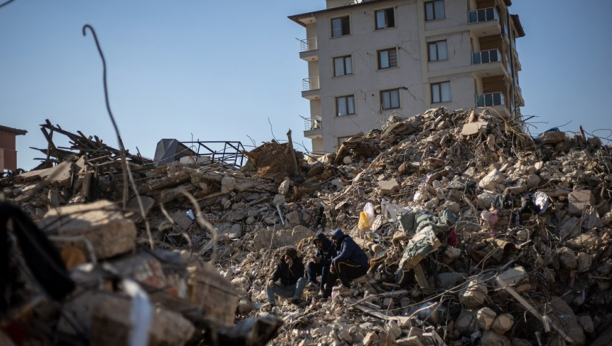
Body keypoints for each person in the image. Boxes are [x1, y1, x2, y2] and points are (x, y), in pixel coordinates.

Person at [318, 229, 369, 300]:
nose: (334, 241)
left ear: (339, 237)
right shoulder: (339, 246)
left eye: (335, 238)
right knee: (332, 269)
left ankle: (346, 286)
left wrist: (333, 262)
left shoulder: (347, 241)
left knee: (337, 262)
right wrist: (332, 265)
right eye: (332, 239)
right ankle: (326, 294)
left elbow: (344, 255)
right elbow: (335, 257)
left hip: (360, 266)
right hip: (352, 267)